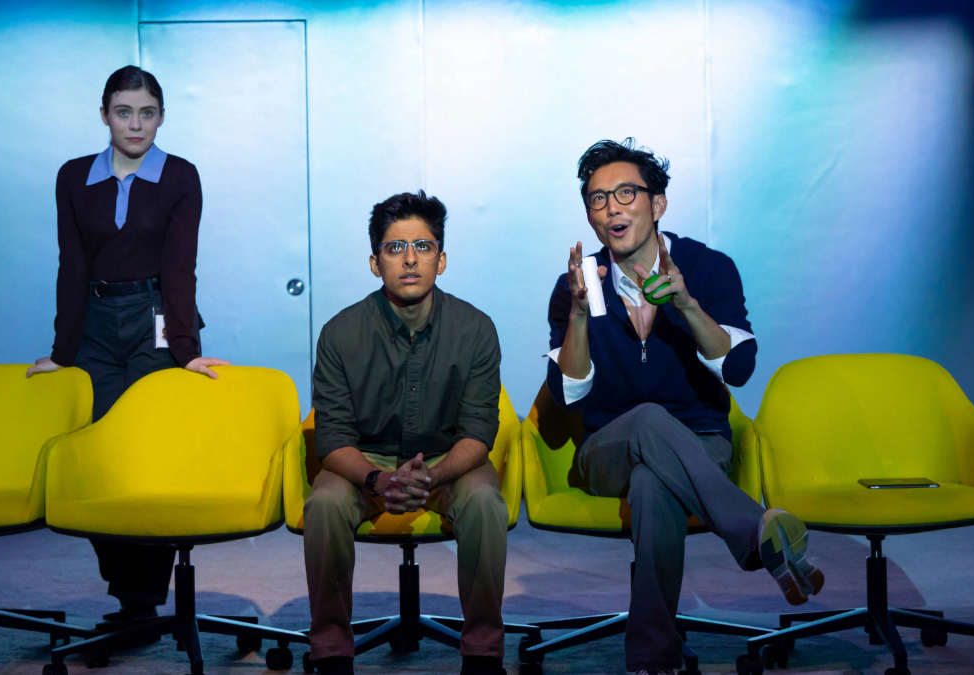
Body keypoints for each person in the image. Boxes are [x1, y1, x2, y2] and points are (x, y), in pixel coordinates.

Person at [546, 138, 824, 675]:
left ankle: (653, 658)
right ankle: (755, 532)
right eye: (598, 199)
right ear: (590, 215)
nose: (612, 208)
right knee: (649, 420)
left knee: (653, 486)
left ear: (658, 204)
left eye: (626, 193)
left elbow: (737, 369)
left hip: (700, 442)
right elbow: (567, 394)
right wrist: (579, 316)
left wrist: (687, 306)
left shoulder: (707, 267)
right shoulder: (580, 284)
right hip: (608, 448)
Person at [26, 65, 229, 626]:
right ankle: (127, 591)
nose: (135, 124)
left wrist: (185, 348)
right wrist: (62, 351)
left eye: (147, 113)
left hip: (154, 317)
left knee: (146, 453)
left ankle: (144, 598)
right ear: (104, 115)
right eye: (123, 112)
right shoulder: (74, 177)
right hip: (94, 322)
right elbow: (72, 264)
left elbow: (179, 267)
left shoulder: (180, 176)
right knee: (97, 455)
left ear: (161, 117)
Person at [304, 191, 508, 675]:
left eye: (423, 246)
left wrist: (432, 477)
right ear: (375, 264)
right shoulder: (340, 333)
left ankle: (483, 653)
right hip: (367, 462)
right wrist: (378, 480)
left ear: (442, 259)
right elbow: (332, 438)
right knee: (325, 503)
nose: (410, 259)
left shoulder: (476, 329)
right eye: (395, 248)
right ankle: (331, 651)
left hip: (449, 460)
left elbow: (478, 433)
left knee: (484, 501)